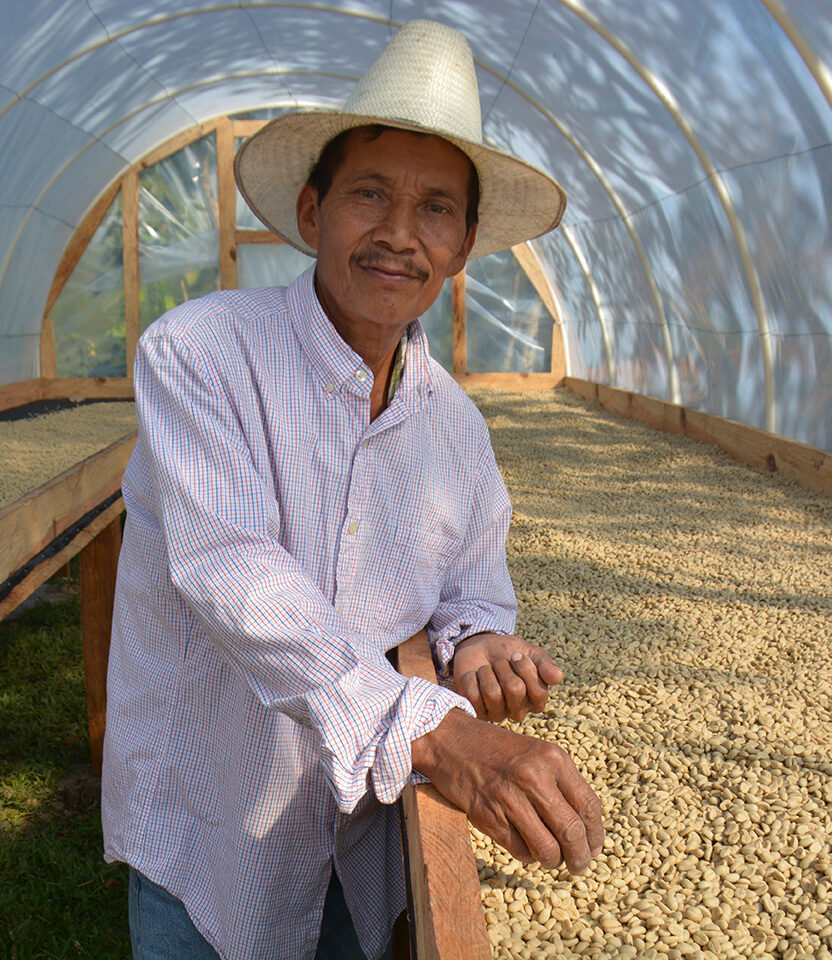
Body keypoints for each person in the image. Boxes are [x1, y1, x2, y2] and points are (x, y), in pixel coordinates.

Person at [102, 20, 603, 960]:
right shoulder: (202, 355)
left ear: (460, 249)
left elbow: (472, 582)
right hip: (210, 830)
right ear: (311, 212)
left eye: (436, 211)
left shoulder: (455, 426)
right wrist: (440, 736)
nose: (399, 235)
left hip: (358, 835)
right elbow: (235, 577)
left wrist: (480, 639)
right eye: (369, 194)